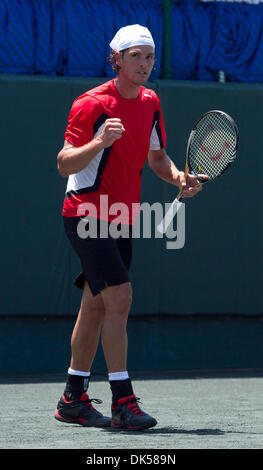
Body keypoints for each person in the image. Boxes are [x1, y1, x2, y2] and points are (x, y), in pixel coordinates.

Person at [54, 24, 203, 431]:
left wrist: (178, 179)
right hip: (85, 213)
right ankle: (123, 401)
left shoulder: (151, 101)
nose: (144, 64)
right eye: (135, 56)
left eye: (149, 56)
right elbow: (64, 163)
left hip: (122, 217)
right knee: (120, 297)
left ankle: (73, 398)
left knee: (96, 304)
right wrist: (99, 142)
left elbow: (157, 158)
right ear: (116, 59)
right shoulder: (91, 104)